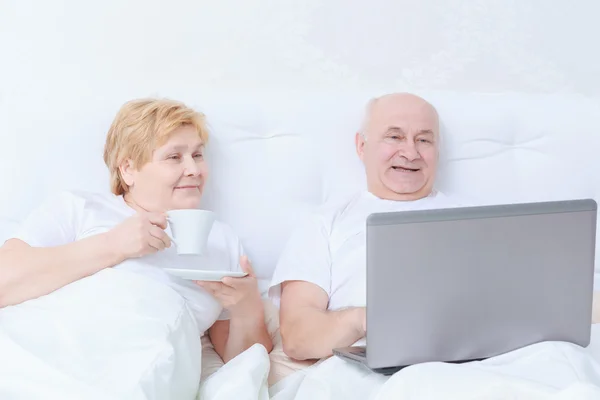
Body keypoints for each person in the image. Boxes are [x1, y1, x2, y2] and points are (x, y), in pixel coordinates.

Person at [0, 98, 272, 362]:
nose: (194, 170)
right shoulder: (80, 208)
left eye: (198, 155)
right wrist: (112, 245)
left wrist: (246, 307)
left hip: (148, 366)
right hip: (56, 348)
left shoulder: (221, 240)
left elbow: (241, 361)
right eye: (175, 157)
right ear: (128, 169)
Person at [269, 92, 462, 361]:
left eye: (424, 140)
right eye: (394, 137)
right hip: (374, 367)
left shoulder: (479, 219)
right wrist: (367, 318)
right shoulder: (324, 224)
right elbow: (298, 338)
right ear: (362, 146)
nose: (410, 152)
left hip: (472, 362)